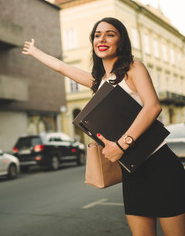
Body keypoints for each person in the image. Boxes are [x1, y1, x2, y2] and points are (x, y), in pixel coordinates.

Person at [22, 17, 185, 236]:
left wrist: (122, 144)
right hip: (132, 172)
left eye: (110, 34)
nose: (102, 38)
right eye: (97, 35)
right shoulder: (99, 82)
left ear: (121, 41)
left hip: (161, 167)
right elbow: (62, 67)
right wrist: (35, 52)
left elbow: (153, 107)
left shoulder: (133, 69)